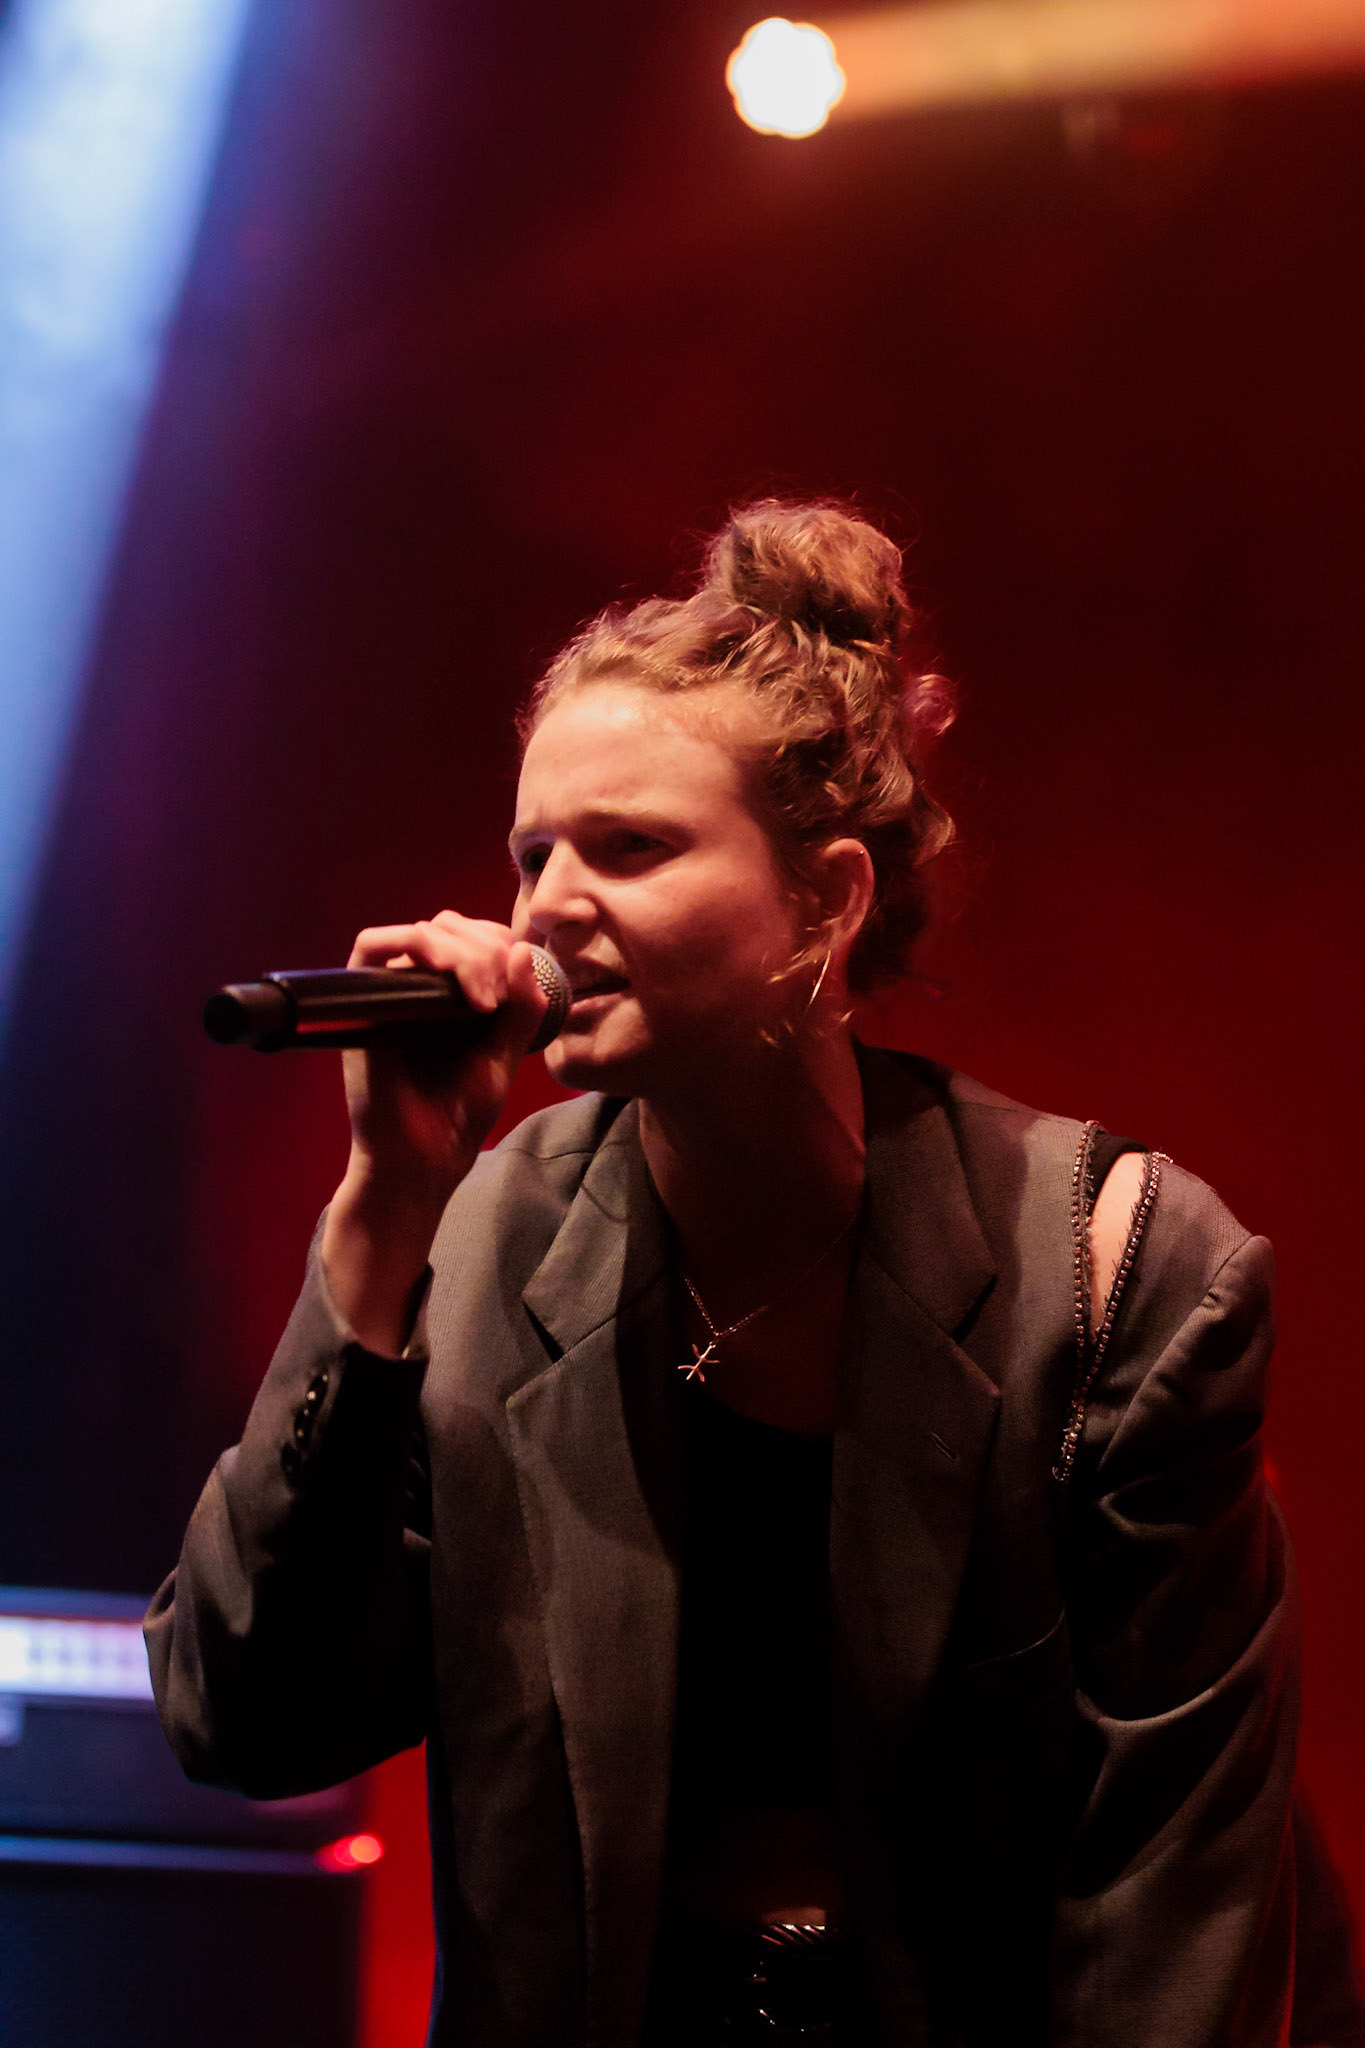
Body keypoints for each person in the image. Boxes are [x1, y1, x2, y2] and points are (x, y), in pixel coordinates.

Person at [147, 500, 1305, 2046]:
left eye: (628, 848)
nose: (547, 906)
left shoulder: (1112, 1269)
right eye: (532, 854)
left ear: (824, 900)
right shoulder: (481, 1245)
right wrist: (384, 1204)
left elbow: (1177, 1890)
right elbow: (245, 1716)